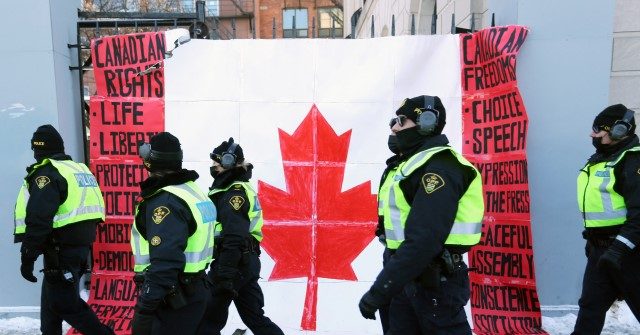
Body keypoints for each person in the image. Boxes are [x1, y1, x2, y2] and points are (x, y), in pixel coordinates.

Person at [358, 96, 484, 334]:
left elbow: (424, 239)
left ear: (427, 123)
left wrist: (382, 288)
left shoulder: (439, 169)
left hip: (434, 284)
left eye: (400, 121)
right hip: (407, 277)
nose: (393, 127)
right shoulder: (411, 165)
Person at [14, 124, 114, 335]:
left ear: (37, 150)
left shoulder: (47, 174)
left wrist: (28, 255)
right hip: (77, 248)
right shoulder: (78, 169)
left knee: (64, 305)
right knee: (51, 308)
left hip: (60, 251)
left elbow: (38, 218)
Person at [130, 132, 216, 335]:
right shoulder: (192, 191)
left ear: (150, 161)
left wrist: (146, 304)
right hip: (195, 290)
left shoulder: (166, 201)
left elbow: (166, 260)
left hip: (173, 297)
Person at [197, 138, 283, 335]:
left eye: (216, 162)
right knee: (255, 318)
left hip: (232, 263)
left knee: (207, 320)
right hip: (244, 262)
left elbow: (234, 236)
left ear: (228, 162)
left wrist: (224, 276)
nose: (213, 166)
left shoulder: (234, 193)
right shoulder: (233, 188)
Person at [573, 104, 640, 334]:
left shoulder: (633, 162)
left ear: (619, 131)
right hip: (599, 249)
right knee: (590, 307)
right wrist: (593, 238)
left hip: (629, 253)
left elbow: (639, 214)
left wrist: (619, 249)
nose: (592, 135)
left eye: (597, 130)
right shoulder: (600, 159)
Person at [374, 131, 402, 334]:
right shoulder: (392, 168)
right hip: (392, 252)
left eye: (398, 129)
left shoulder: (423, 168)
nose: (392, 135)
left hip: (413, 255)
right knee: (389, 308)